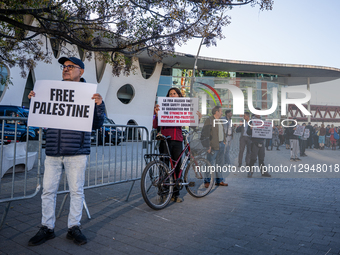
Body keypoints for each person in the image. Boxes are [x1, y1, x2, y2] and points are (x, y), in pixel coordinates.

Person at [28, 57, 105, 246]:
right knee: (48, 191)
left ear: (82, 72)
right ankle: (47, 228)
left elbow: (97, 124)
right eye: (64, 66)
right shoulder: (51, 92)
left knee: (76, 191)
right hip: (53, 150)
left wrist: (99, 106)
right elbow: (41, 117)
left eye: (71, 67)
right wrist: (34, 101)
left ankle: (74, 227)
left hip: (77, 151)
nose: (66, 69)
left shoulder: (90, 95)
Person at [153, 87, 184, 203]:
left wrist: (197, 118)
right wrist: (156, 114)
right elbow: (155, 126)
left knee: (177, 168)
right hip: (165, 139)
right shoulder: (162, 107)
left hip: (178, 140)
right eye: (170, 94)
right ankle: (163, 193)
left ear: (179, 96)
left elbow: (192, 125)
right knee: (164, 167)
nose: (172, 95)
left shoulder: (184, 107)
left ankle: (175, 194)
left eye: (174, 93)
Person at [202, 105, 228, 187]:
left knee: (220, 164)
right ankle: (207, 181)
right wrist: (207, 146)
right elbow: (204, 134)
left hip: (221, 145)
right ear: (216, 112)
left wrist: (224, 141)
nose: (222, 113)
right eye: (221, 111)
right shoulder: (209, 120)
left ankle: (219, 180)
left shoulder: (220, 120)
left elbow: (223, 131)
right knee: (209, 163)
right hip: (213, 146)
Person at [246, 108, 271, 177]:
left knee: (261, 158)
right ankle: (250, 172)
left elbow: (266, 130)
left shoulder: (263, 121)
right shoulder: (251, 121)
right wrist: (251, 129)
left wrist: (271, 129)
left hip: (262, 141)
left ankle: (263, 172)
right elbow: (248, 132)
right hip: (254, 142)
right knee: (253, 158)